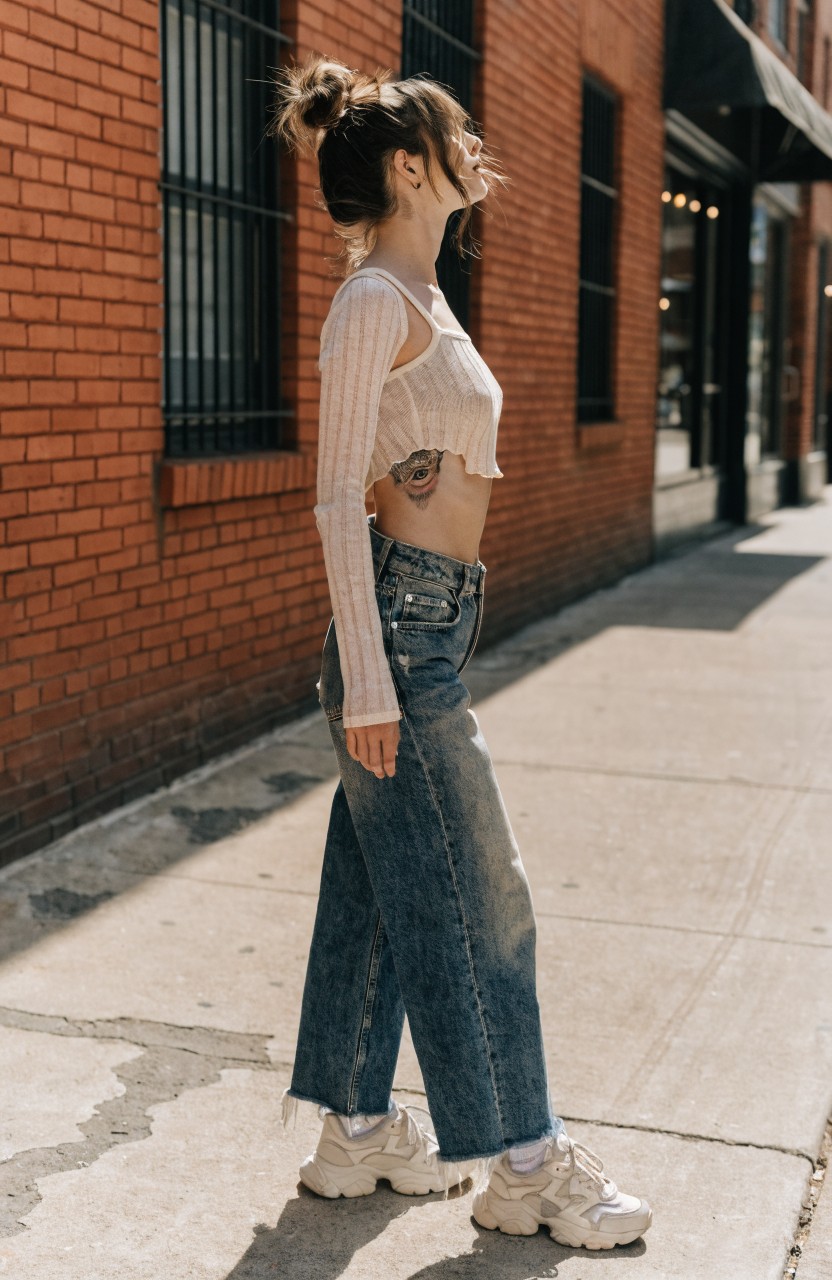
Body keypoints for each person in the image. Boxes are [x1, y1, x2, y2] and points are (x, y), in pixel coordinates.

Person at [267, 51, 653, 1251]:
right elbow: (339, 499)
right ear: (405, 167)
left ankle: (357, 1131)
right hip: (395, 628)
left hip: (430, 615)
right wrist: (373, 677)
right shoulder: (371, 301)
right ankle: (528, 1160)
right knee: (485, 896)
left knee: (382, 890)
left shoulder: (422, 298)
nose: (475, 148)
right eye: (455, 135)